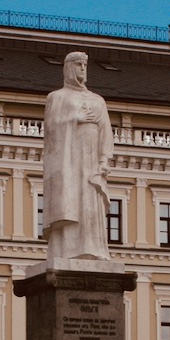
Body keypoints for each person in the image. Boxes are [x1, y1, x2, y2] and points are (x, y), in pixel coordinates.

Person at [43, 52, 113, 262]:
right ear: (68, 68)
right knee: (71, 201)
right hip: (69, 162)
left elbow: (105, 131)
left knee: (90, 201)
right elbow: (50, 130)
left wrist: (104, 160)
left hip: (91, 162)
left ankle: (93, 249)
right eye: (78, 64)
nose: (83, 68)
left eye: (85, 64)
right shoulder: (57, 97)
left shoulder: (97, 100)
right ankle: (66, 250)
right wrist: (75, 118)